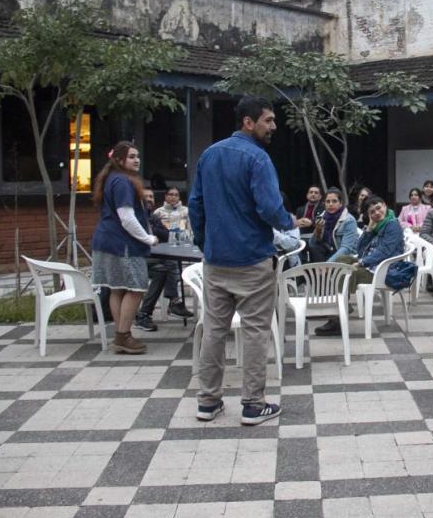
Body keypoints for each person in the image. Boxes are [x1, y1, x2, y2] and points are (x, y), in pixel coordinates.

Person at [188, 95, 299, 426]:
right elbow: (268, 207)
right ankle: (253, 404)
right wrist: (288, 221)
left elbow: (196, 205)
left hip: (216, 260)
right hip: (252, 260)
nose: (274, 126)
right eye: (268, 120)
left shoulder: (209, 155)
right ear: (248, 122)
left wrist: (204, 243)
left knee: (214, 330)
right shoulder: (258, 159)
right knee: (254, 331)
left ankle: (207, 402)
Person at [90, 142, 159, 355]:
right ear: (119, 160)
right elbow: (127, 218)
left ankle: (122, 335)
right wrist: (147, 238)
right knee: (137, 288)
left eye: (137, 155)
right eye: (131, 156)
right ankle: (122, 336)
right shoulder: (122, 182)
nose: (136, 159)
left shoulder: (112, 178)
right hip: (122, 244)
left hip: (106, 241)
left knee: (117, 288)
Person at [315, 195, 405, 336]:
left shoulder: (392, 224)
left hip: (385, 270)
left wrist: (362, 262)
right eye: (372, 212)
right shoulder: (377, 225)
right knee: (342, 261)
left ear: (385, 205)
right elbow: (360, 249)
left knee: (346, 273)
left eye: (378, 208)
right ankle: (343, 306)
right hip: (373, 265)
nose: (376, 213)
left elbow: (384, 251)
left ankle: (337, 319)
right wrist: (369, 230)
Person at [134, 188, 187, 333]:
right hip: (135, 259)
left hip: (151, 257)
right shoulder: (136, 216)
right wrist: (153, 231)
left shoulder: (152, 216)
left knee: (162, 270)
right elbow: (146, 234)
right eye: (146, 197)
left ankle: (144, 314)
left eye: (151, 196)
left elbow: (166, 234)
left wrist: (154, 229)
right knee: (170, 263)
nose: (150, 199)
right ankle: (174, 301)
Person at [307, 187, 359, 263]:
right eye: (328, 201)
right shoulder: (323, 216)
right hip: (328, 250)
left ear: (341, 203)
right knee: (312, 247)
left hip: (342, 255)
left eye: (334, 201)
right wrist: (317, 230)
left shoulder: (349, 220)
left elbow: (346, 249)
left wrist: (328, 264)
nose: (330, 204)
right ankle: (317, 273)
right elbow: (312, 243)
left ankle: (322, 272)